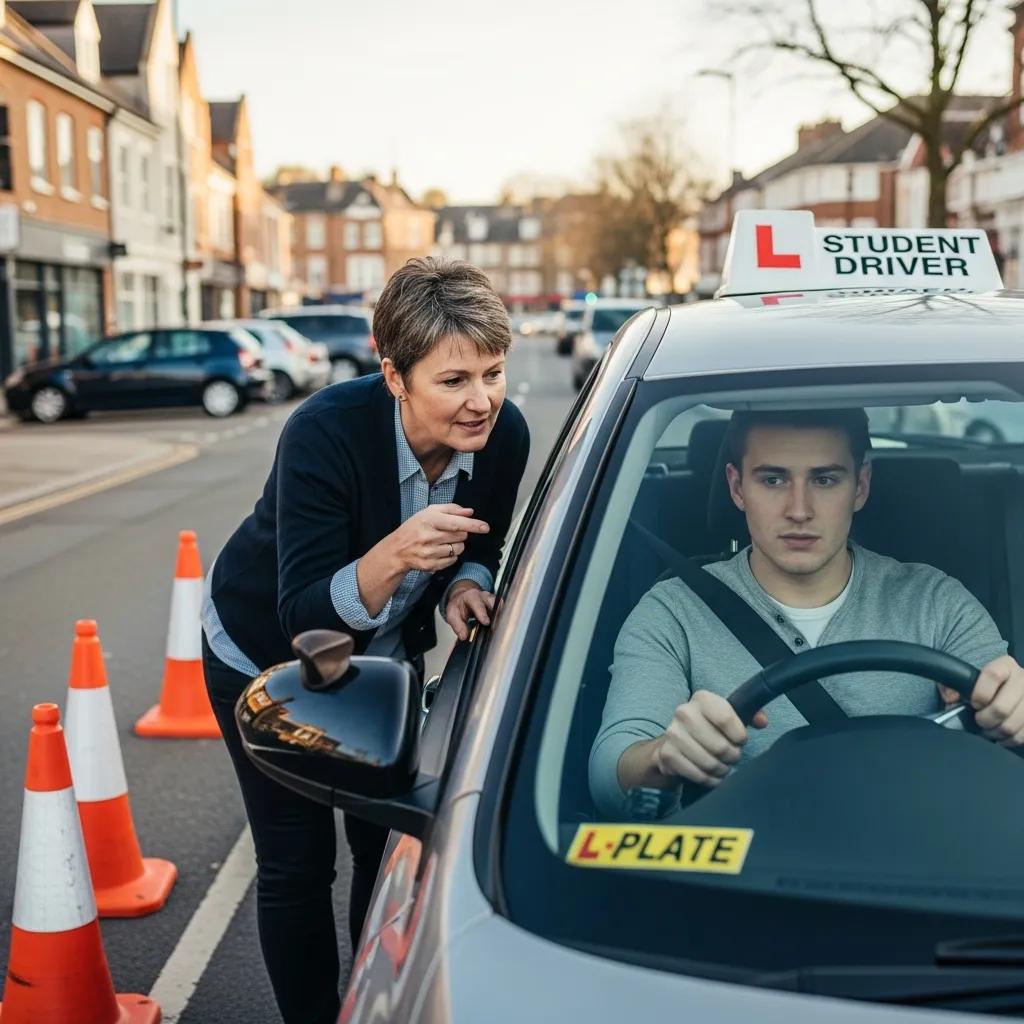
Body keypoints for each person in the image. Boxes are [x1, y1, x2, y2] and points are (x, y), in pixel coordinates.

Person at [201, 257, 529, 1024]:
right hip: (270, 655)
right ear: (394, 376)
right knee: (297, 864)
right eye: (454, 381)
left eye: (494, 372)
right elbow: (304, 616)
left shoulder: (502, 433)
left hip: (383, 660)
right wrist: (397, 553)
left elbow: (486, 539)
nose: (481, 401)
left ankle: (369, 1006)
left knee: (385, 855)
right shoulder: (323, 433)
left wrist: (463, 583)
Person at [590, 408, 1024, 819]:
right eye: (774, 480)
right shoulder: (675, 612)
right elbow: (611, 773)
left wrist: (1013, 709)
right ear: (737, 488)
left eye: (825, 479)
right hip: (742, 879)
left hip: (916, 872)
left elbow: (1007, 713)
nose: (799, 510)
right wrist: (667, 755)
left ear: (861, 486)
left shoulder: (936, 602)